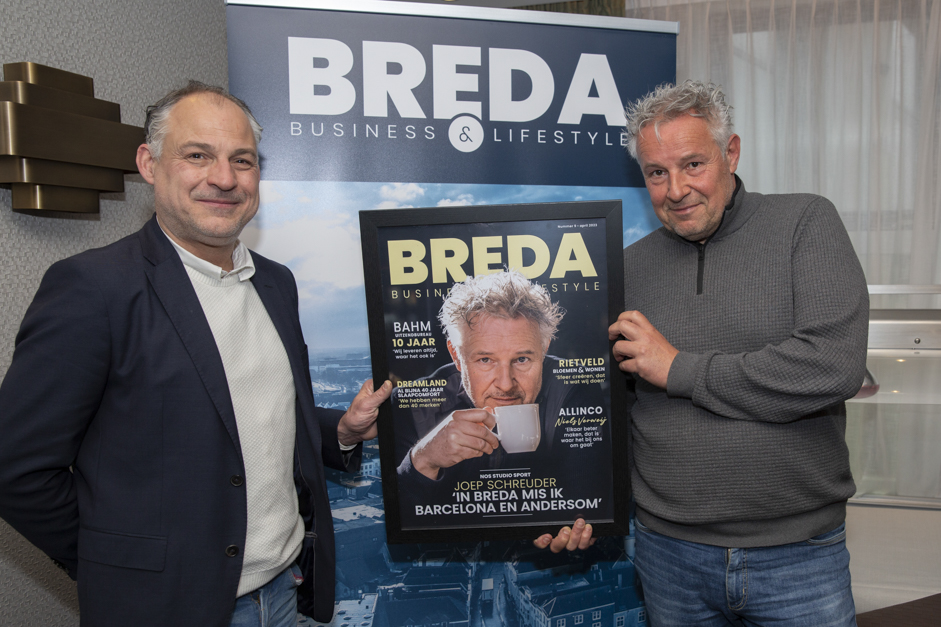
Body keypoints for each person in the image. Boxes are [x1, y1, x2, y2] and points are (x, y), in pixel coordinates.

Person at [0, 81, 391, 627]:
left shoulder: (276, 283)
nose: (224, 178)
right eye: (198, 156)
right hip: (164, 608)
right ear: (149, 163)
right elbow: (16, 468)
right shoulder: (94, 288)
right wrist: (119, 563)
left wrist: (342, 432)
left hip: (284, 593)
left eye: (242, 160)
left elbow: (253, 419)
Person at [596, 81, 867, 625]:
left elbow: (832, 364)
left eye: (693, 164)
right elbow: (609, 410)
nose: (676, 189)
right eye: (656, 172)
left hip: (799, 555)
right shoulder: (627, 266)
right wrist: (583, 504)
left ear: (731, 152)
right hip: (668, 554)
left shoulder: (805, 223)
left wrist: (679, 369)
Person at [395, 270, 609, 526]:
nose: (506, 384)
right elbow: (400, 519)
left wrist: (574, 529)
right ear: (456, 355)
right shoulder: (412, 405)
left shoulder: (574, 388)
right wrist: (423, 459)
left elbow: (587, 503)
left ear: (544, 349)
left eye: (522, 359)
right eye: (485, 360)